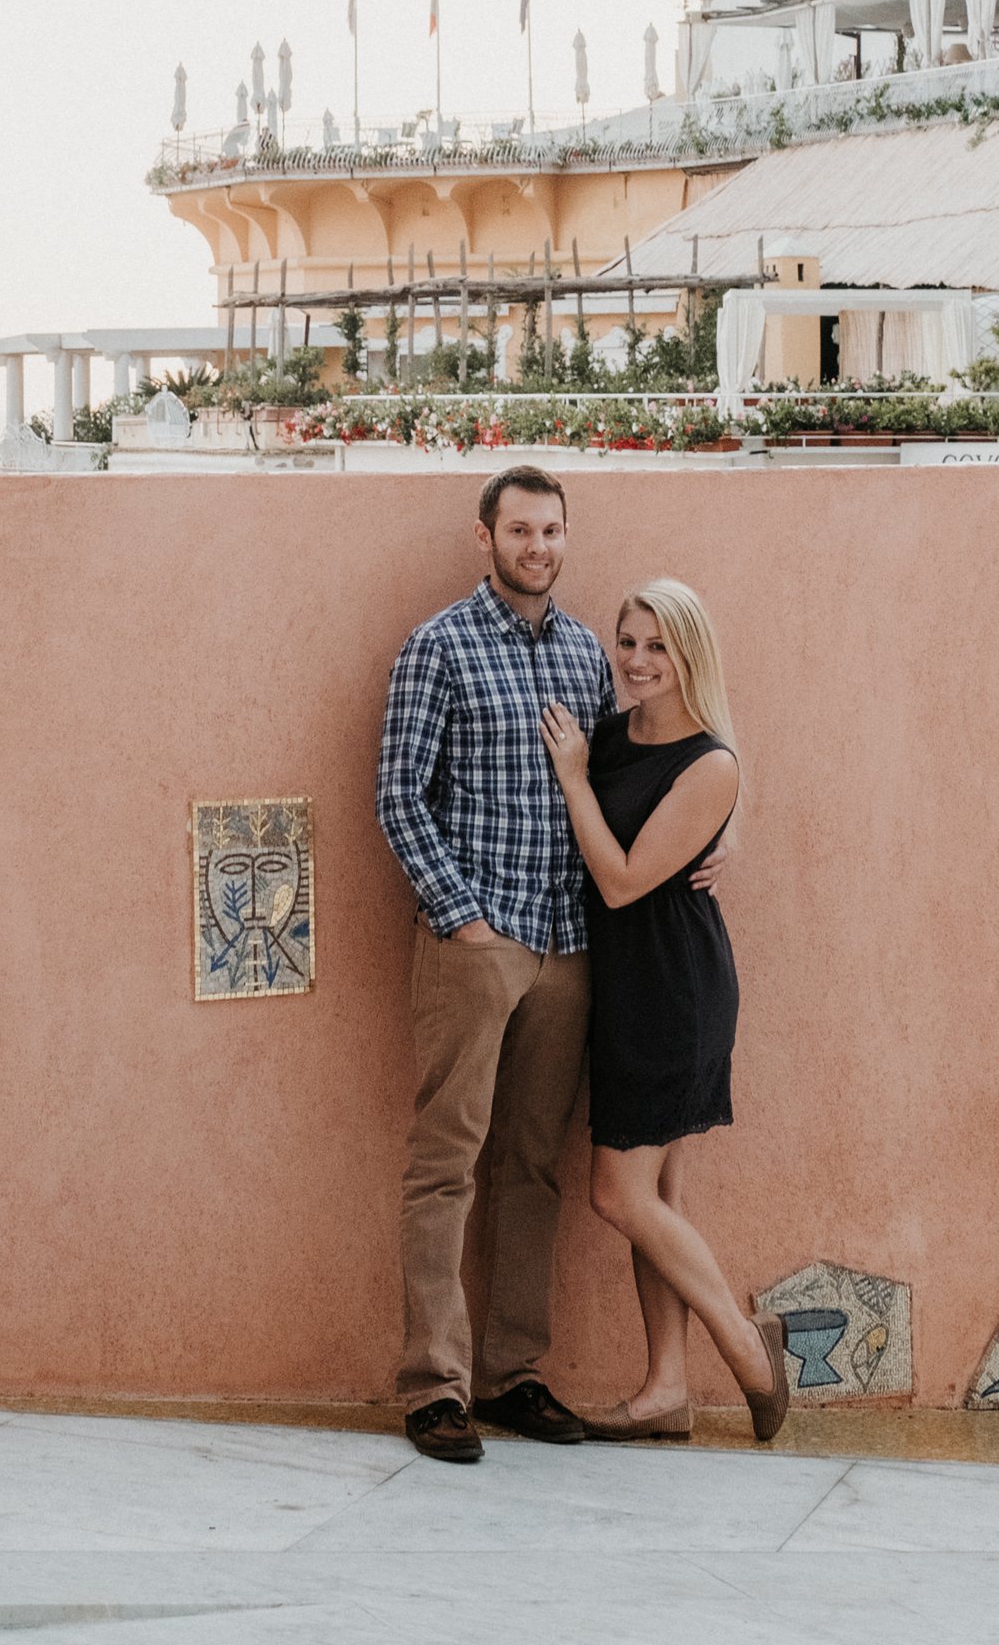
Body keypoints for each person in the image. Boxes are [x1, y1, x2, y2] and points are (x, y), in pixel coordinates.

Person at [375, 468, 729, 1466]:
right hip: (476, 947)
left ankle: (513, 1376)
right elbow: (399, 796)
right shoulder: (437, 648)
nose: (538, 546)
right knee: (446, 1165)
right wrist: (465, 923)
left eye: (551, 530)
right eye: (519, 529)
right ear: (484, 538)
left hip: (571, 952)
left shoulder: (587, 656)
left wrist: (725, 837)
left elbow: (657, 770)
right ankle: (435, 1387)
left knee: (532, 1168)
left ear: (566, 539)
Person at [538, 578, 787, 1443]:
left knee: (619, 1194)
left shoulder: (711, 761)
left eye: (656, 646)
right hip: (624, 989)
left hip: (674, 995)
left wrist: (572, 780)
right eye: (628, 642)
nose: (637, 661)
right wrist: (583, 768)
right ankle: (664, 1389)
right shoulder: (608, 739)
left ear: (689, 656)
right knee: (659, 1196)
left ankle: (747, 1347)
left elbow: (621, 879)